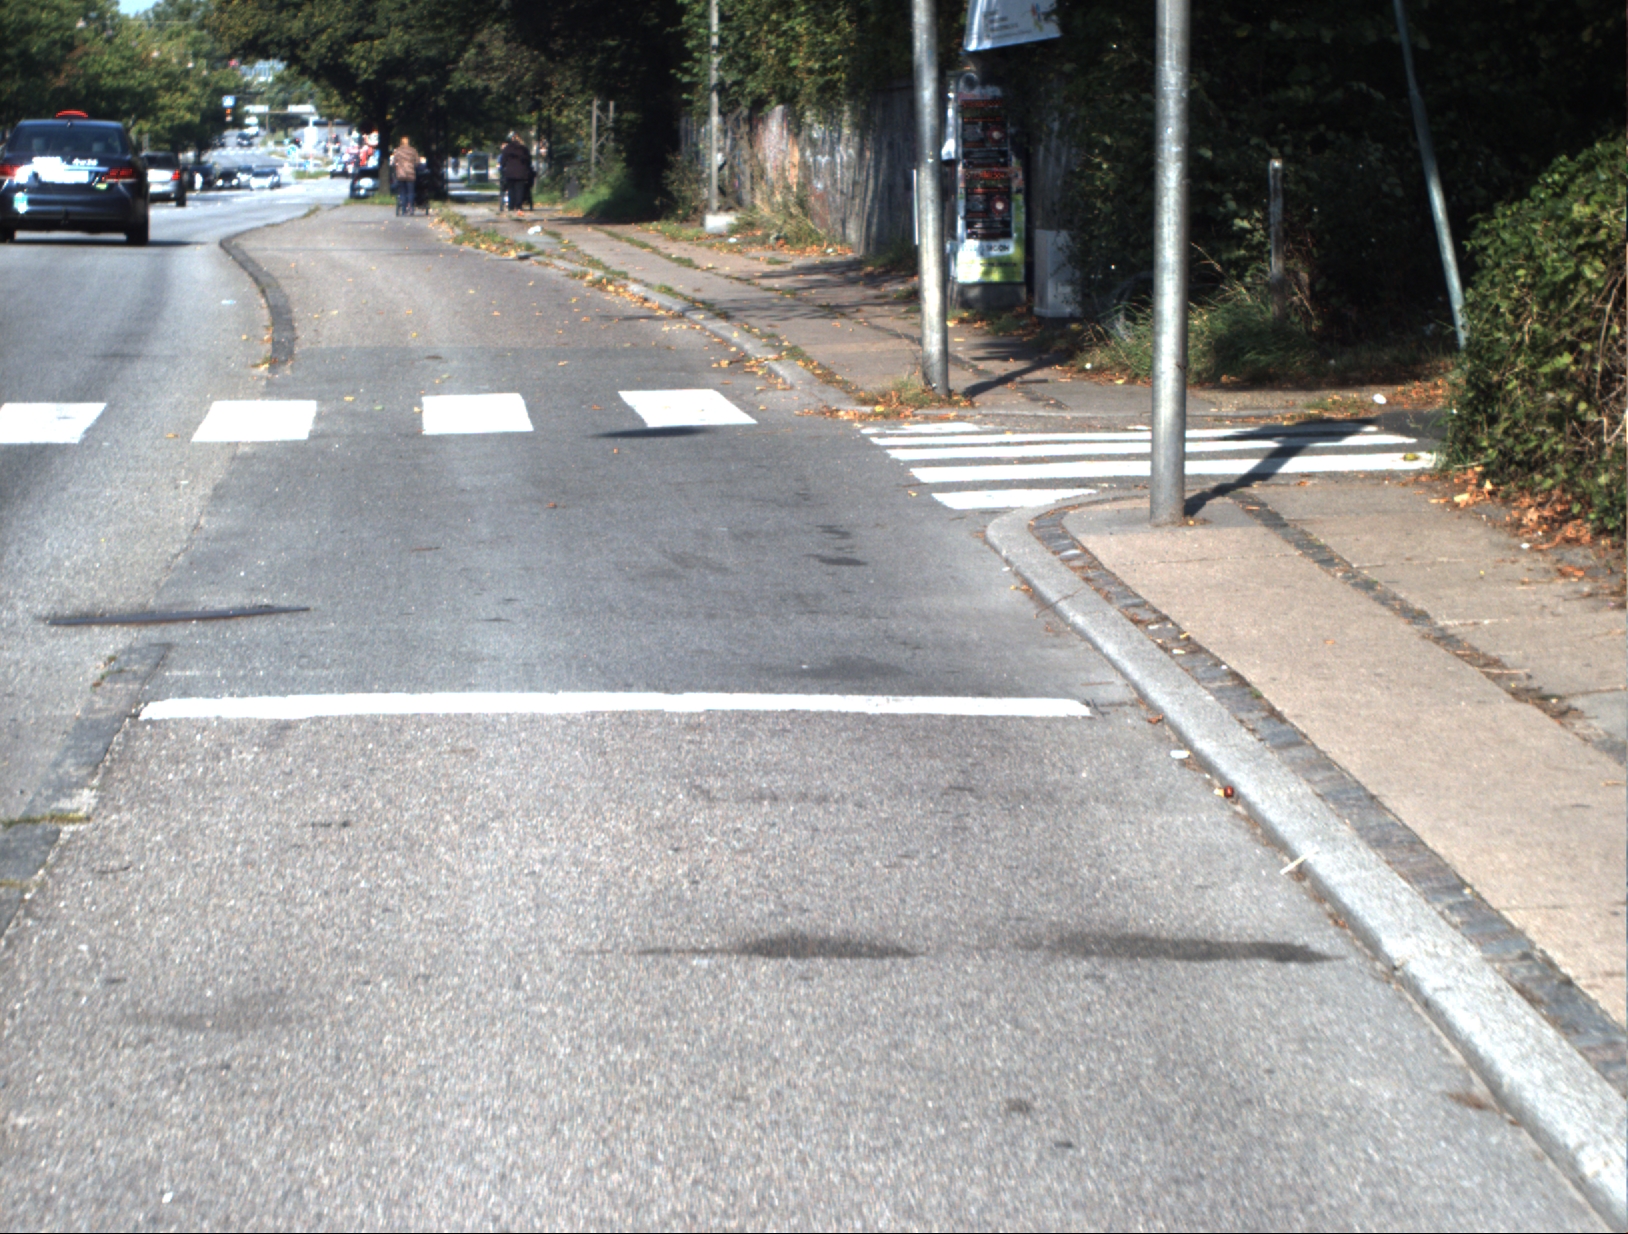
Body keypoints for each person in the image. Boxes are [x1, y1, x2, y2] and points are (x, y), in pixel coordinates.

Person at [498, 132, 532, 213]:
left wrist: (503, 167)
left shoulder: (508, 148)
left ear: (512, 139)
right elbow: (528, 161)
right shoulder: (523, 149)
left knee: (511, 189)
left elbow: (503, 161)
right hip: (521, 172)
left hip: (510, 172)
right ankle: (519, 206)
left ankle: (511, 205)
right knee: (519, 189)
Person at [390, 135, 418, 213]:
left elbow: (394, 162)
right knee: (411, 192)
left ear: (401, 142)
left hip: (401, 174)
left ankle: (403, 209)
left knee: (402, 191)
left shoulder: (398, 151)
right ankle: (411, 208)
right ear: (408, 142)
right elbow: (417, 162)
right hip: (410, 173)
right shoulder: (413, 150)